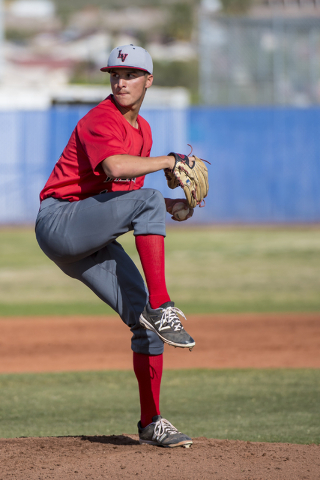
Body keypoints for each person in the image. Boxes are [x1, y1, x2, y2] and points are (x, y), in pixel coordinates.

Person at [35, 44, 195, 448]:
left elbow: (126, 197)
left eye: (131, 75)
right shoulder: (99, 119)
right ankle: (163, 305)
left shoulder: (143, 133)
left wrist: (173, 204)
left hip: (92, 233)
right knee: (147, 202)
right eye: (115, 75)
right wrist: (168, 162)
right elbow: (114, 168)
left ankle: (151, 422)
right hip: (60, 221)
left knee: (145, 326)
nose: (121, 81)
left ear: (148, 81)